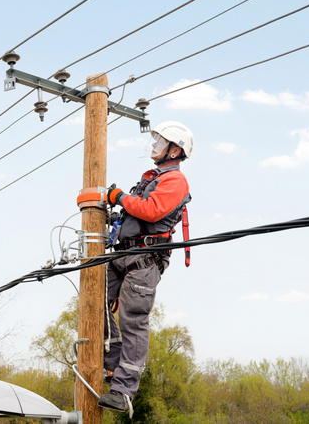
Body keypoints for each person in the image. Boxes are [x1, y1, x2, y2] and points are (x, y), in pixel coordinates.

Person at [97, 121, 193, 413]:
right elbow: (135, 213)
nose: (153, 145)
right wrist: (114, 211)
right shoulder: (150, 178)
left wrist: (120, 197)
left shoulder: (175, 181)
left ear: (175, 150)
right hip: (122, 254)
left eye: (160, 141)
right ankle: (112, 362)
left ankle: (124, 391)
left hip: (145, 259)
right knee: (92, 299)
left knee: (133, 319)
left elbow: (151, 211)